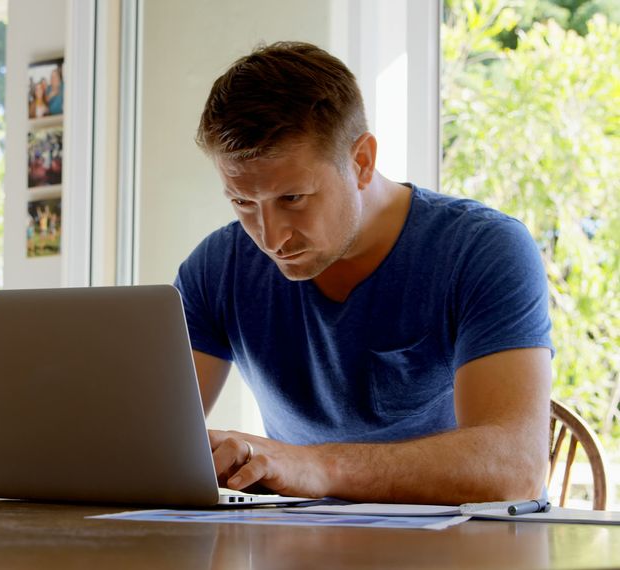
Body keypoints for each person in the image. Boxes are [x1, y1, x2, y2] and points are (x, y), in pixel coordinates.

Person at [176, 41, 553, 504]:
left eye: (292, 198)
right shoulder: (218, 267)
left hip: (459, 544)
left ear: (361, 162)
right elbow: (152, 440)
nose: (271, 238)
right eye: (243, 203)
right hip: (302, 543)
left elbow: (516, 468)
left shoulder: (482, 250)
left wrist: (313, 466)